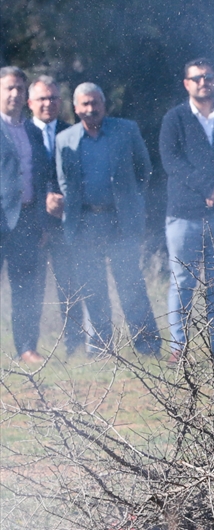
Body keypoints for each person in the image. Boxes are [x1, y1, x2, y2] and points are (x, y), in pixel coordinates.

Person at [56, 82, 159, 356]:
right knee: (93, 289)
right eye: (85, 104)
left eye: (95, 103)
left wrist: (131, 203)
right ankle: (101, 349)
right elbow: (65, 183)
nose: (91, 109)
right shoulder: (64, 139)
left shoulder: (126, 130)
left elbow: (143, 170)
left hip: (120, 221)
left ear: (104, 105)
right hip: (86, 223)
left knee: (131, 285)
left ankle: (148, 346)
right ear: (76, 108)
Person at [159, 59, 214, 359]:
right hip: (184, 213)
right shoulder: (175, 119)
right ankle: (178, 348)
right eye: (196, 78)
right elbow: (171, 161)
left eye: (208, 77)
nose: (202, 82)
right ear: (186, 83)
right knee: (182, 281)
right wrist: (207, 187)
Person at [27, 75, 87, 354]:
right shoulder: (20, 132)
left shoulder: (73, 132)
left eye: (52, 98)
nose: (47, 103)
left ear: (61, 102)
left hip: (66, 223)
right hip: (32, 224)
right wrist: (43, 204)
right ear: (30, 103)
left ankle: (74, 345)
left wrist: (66, 200)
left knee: (70, 285)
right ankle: (28, 347)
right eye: (41, 98)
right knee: (31, 286)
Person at [0, 67, 53, 364]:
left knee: (26, 290)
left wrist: (43, 222)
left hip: (27, 222)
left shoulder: (33, 130)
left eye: (20, 89)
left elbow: (43, 176)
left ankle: (26, 348)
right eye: (9, 88)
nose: (15, 94)